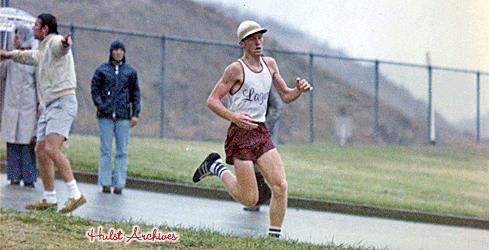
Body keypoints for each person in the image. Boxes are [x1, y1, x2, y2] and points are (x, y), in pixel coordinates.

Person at [192, 20, 312, 238]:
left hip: (261, 132)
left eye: (260, 38)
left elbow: (285, 95)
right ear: (242, 44)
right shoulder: (235, 70)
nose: (258, 43)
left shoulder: (270, 65)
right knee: (250, 199)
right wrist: (234, 117)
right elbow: (212, 100)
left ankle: (273, 239)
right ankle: (216, 166)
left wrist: (298, 90)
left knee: (280, 186)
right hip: (240, 135)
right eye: (252, 39)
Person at [0, 13, 85, 213]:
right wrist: (9, 54)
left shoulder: (54, 42)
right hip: (49, 105)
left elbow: (61, 48)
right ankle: (49, 199)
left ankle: (75, 195)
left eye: (36, 26)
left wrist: (65, 43)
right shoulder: (42, 48)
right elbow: (30, 56)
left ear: (45, 29)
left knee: (52, 149)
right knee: (40, 149)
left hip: (63, 102)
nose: (33, 29)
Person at [91, 38, 140, 195]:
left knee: (122, 151)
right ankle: (105, 182)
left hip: (123, 117)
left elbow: (135, 93)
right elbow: (95, 89)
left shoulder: (130, 72)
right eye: (115, 50)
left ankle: (119, 183)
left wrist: (135, 113)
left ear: (124, 52)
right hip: (105, 116)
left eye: (121, 50)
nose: (118, 53)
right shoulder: (102, 70)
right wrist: (101, 104)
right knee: (105, 149)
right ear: (111, 51)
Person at [0, 25, 39, 188]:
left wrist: (40, 106)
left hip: (28, 107)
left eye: (17, 37)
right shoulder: (9, 58)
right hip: (11, 106)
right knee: (12, 141)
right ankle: (14, 176)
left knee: (26, 141)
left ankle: (29, 177)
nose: (14, 40)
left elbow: (39, 84)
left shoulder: (33, 58)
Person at [243, 86, 283, 212]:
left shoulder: (267, 82)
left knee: (259, 163)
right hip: (249, 128)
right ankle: (259, 197)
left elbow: (277, 107)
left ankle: (263, 195)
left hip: (264, 132)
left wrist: (264, 126)